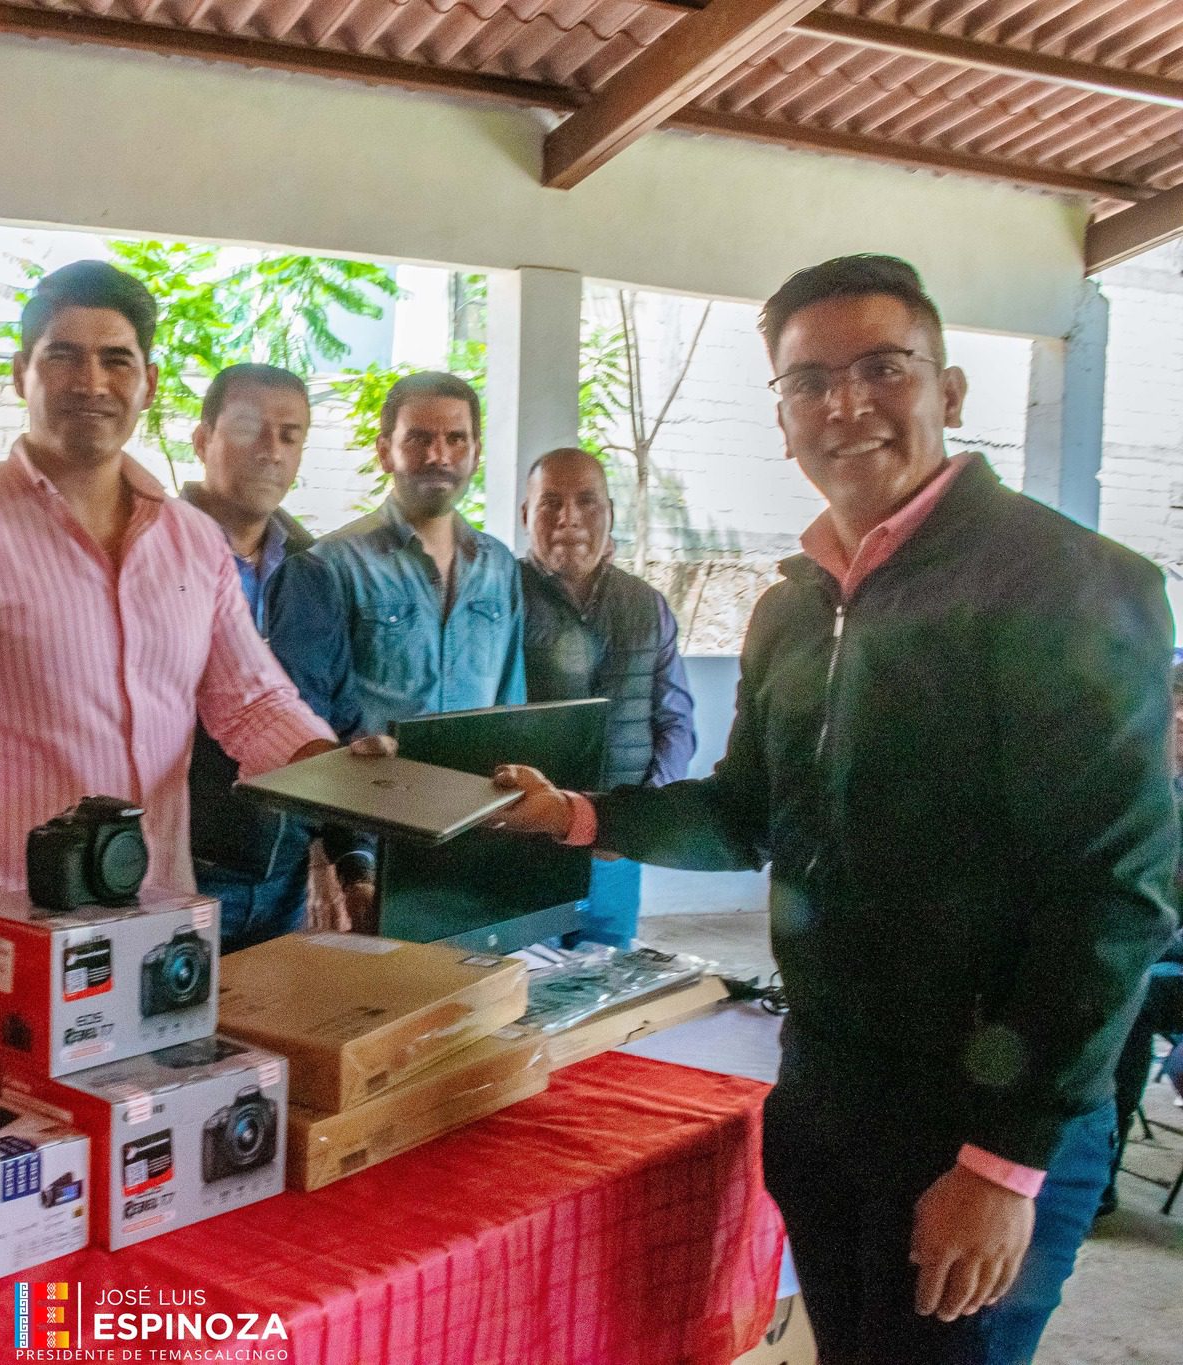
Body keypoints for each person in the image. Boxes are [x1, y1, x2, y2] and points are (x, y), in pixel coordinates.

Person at [491, 255, 1176, 1364]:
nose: (845, 405)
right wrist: (575, 815)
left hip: (975, 1123)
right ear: (780, 417)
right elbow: (748, 814)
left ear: (946, 392)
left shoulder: (1066, 585)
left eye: (881, 368)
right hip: (825, 1099)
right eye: (808, 382)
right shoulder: (793, 612)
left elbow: (1112, 896)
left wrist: (1001, 1163)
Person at [0, 261, 360, 903]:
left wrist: (335, 772)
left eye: (116, 360)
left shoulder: (192, 541)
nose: (91, 382)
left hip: (163, 911)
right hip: (18, 919)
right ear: (22, 374)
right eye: (64, 356)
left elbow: (251, 702)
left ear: (150, 383)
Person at [265, 370, 527, 929]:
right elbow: (303, 724)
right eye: (419, 439)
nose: (440, 455)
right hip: (367, 847)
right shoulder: (330, 566)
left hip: (470, 838)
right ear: (386, 451)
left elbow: (511, 709)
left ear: (476, 453)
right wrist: (330, 856)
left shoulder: (500, 567)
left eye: (457, 439)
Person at [518, 447, 695, 947]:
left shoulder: (646, 604)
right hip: (527, 846)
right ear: (526, 515)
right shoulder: (502, 599)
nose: (569, 517)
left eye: (587, 502)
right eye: (550, 503)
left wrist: (640, 814)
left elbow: (676, 720)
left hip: (616, 850)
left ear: (610, 513)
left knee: (606, 990)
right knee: (523, 993)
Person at [180, 363, 318, 950]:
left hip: (288, 876)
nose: (272, 451)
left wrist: (341, 851)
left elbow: (334, 701)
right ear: (202, 439)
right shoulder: (152, 557)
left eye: (290, 435)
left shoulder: (317, 573)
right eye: (249, 428)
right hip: (182, 869)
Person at [1100, 662, 1183, 1214]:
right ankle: (1098, 1168)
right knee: (1116, 989)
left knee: (1127, 990)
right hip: (1148, 959)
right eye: (1172, 711)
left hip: (1169, 962)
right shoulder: (1134, 787)